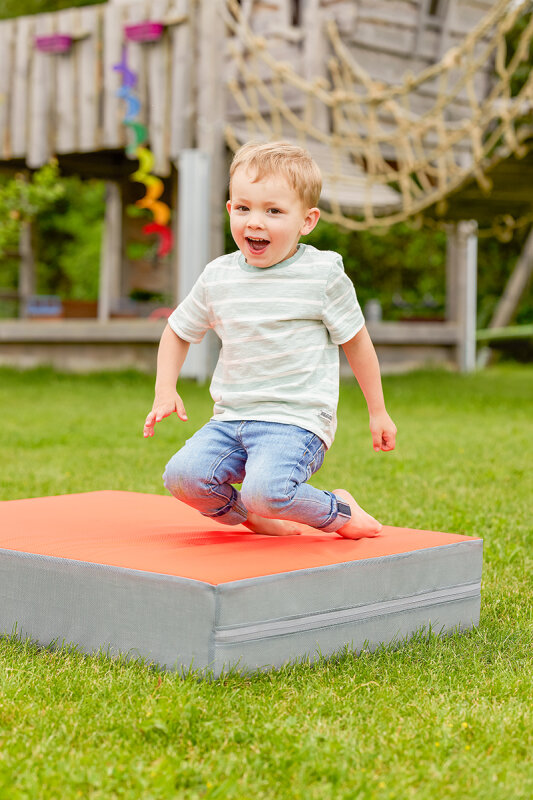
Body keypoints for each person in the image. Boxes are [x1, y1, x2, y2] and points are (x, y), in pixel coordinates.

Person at [143, 141, 397, 539]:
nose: (254, 222)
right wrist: (165, 389)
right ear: (229, 210)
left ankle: (340, 511)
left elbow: (357, 343)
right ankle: (254, 514)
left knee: (267, 490)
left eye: (273, 211)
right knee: (183, 477)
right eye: (243, 208)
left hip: (296, 420)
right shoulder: (218, 276)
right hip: (231, 418)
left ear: (307, 221)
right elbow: (177, 330)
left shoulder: (323, 275)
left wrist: (377, 411)